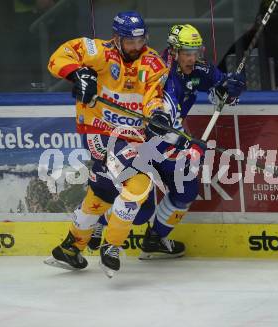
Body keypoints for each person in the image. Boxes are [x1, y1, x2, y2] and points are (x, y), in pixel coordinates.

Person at [87, 24, 246, 259]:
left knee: (186, 189)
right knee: (140, 211)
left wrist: (232, 88)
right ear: (173, 51)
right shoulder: (160, 73)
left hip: (169, 143)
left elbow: (219, 92)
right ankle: (101, 221)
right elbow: (166, 124)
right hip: (142, 143)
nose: (192, 59)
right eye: (187, 53)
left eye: (196, 52)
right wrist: (189, 146)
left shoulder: (196, 67)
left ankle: (155, 239)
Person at [44, 11, 176, 278]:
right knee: (139, 183)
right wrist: (78, 72)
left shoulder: (153, 63)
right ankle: (112, 245)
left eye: (141, 41)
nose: (136, 47)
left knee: (103, 193)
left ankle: (71, 247)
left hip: (130, 136)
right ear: (116, 38)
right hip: (98, 131)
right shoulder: (99, 52)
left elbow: (153, 96)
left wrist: (158, 115)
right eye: (130, 42)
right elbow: (57, 57)